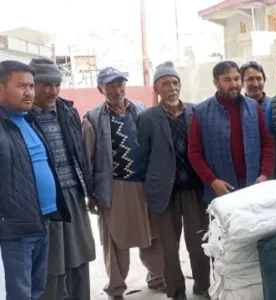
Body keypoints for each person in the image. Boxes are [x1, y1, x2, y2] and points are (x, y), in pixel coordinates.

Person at [82, 67, 165, 300]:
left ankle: (158, 278)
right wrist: (91, 194)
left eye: (120, 83)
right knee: (115, 240)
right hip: (115, 187)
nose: (117, 89)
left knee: (152, 233)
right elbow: (87, 157)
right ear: (101, 88)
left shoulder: (138, 109)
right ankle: (116, 288)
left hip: (144, 185)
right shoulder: (94, 117)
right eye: (110, 85)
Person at [137, 62, 209, 300]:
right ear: (157, 88)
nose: (172, 88)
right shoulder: (147, 118)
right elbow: (143, 156)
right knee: (169, 248)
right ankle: (176, 291)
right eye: (166, 83)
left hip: (193, 190)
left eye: (175, 82)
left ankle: (203, 286)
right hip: (164, 192)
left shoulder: (195, 112)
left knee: (199, 244)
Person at [0, 60, 71, 300]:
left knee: (36, 290)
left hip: (42, 221)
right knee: (19, 294)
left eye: (31, 86)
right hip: (14, 230)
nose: (29, 92)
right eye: (21, 86)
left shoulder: (29, 120)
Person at [29, 57, 96, 300]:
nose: (53, 91)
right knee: (52, 262)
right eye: (45, 85)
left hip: (74, 195)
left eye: (57, 84)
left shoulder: (68, 111)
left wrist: (89, 191)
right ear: (31, 85)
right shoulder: (22, 118)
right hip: (46, 201)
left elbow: (79, 153)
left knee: (80, 255)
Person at [188, 60, 274, 203]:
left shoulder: (253, 107)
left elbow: (267, 144)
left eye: (237, 79)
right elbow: (194, 153)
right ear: (216, 83)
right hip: (221, 191)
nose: (234, 84)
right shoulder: (201, 112)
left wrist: (264, 174)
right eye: (227, 80)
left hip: (253, 186)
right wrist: (213, 181)